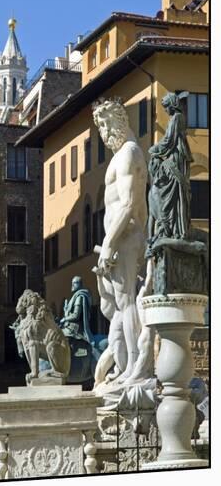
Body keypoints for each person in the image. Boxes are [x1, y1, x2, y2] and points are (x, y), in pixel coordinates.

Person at [92, 98, 148, 384]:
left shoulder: (129, 153)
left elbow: (128, 205)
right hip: (117, 239)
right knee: (112, 306)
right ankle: (125, 364)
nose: (102, 132)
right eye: (99, 127)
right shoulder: (120, 156)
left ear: (118, 120)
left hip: (126, 237)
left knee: (126, 303)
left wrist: (111, 244)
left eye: (104, 124)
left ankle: (134, 368)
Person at [147, 91, 192, 247]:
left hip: (176, 158)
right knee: (169, 191)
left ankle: (176, 228)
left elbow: (169, 140)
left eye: (166, 106)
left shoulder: (177, 118)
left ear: (172, 105)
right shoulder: (174, 118)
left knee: (173, 191)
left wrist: (154, 149)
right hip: (172, 156)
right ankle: (171, 226)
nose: (165, 110)